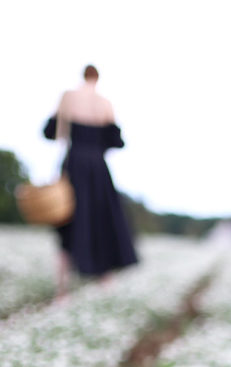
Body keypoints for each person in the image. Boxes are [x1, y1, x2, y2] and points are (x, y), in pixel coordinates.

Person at [44, 65, 138, 296]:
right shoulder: (104, 103)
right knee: (101, 220)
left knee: (68, 222)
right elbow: (116, 141)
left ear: (83, 76)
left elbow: (50, 132)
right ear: (97, 78)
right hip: (97, 167)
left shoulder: (67, 97)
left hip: (73, 164)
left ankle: (62, 287)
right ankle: (105, 281)